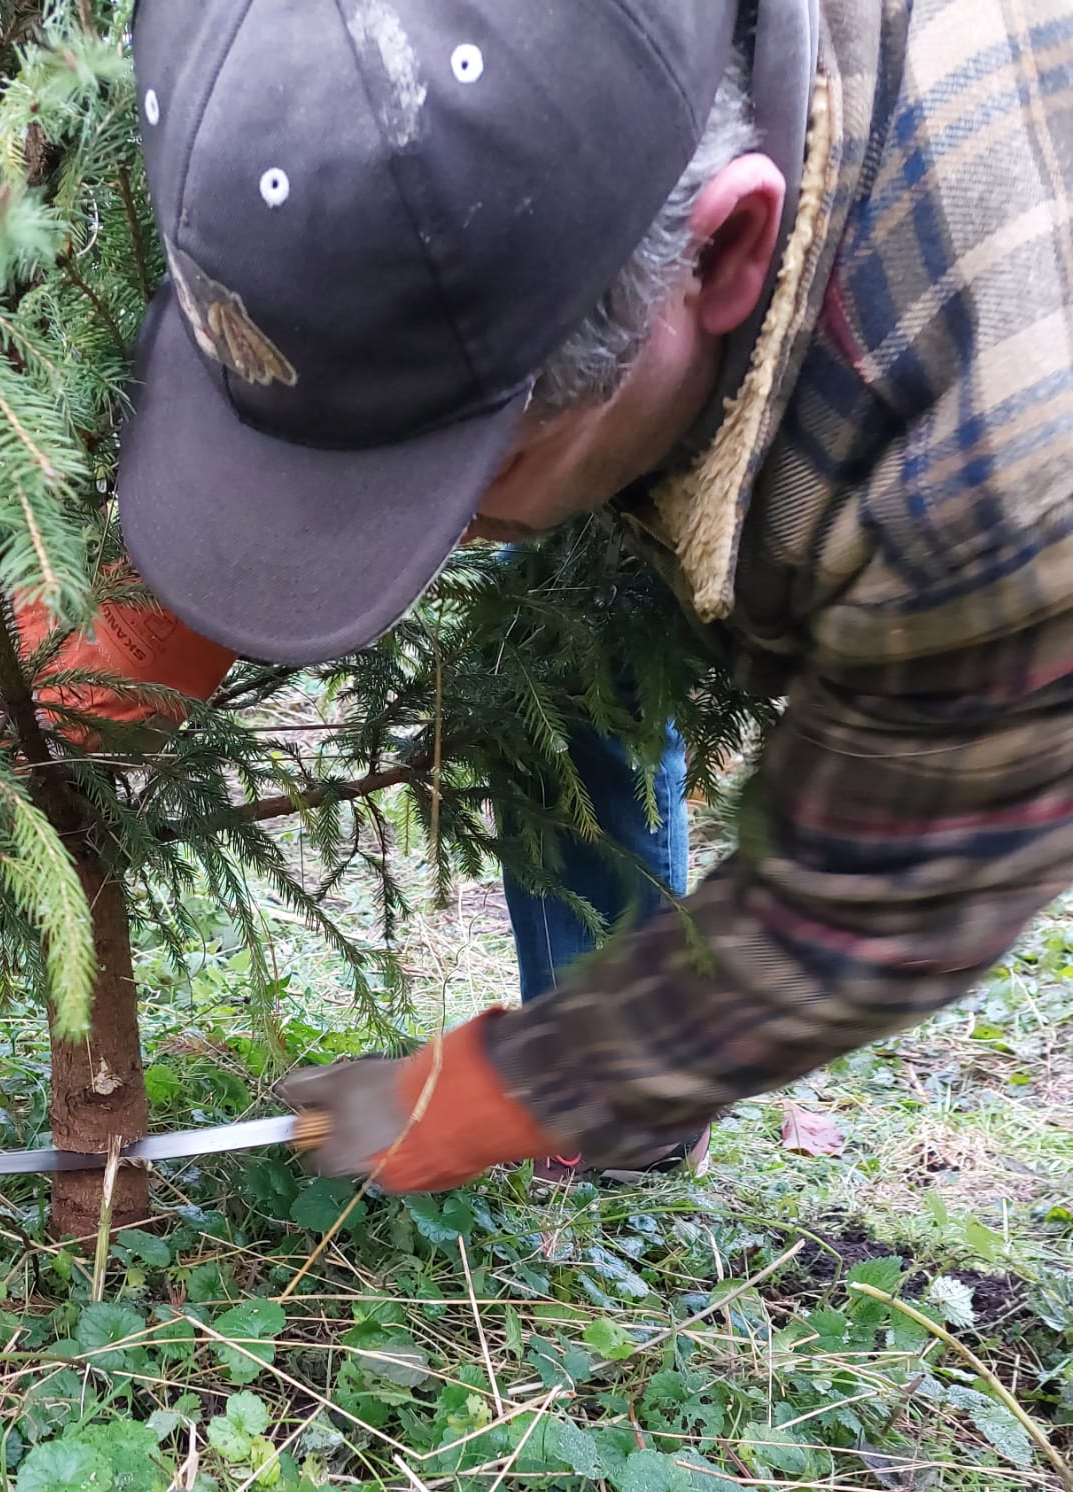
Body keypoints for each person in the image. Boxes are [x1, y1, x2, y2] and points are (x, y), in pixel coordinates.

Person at [117, 0, 1073, 1194]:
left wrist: (518, 1084)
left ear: (720, 255)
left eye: (472, 465)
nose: (432, 545)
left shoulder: (997, 460)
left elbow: (870, 897)